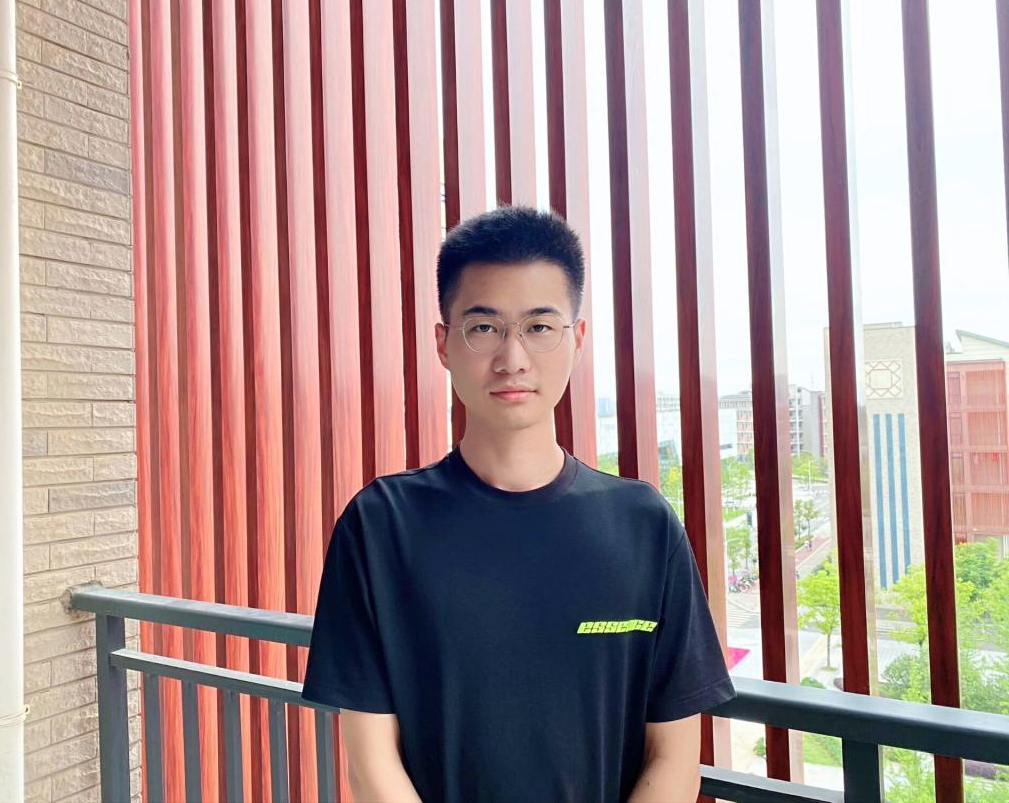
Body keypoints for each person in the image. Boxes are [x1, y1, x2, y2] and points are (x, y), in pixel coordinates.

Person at [300, 205, 735, 803]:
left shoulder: (643, 526)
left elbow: (675, 759)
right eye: (484, 328)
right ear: (444, 344)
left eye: (539, 327)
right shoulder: (381, 525)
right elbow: (372, 764)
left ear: (576, 340)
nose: (513, 359)